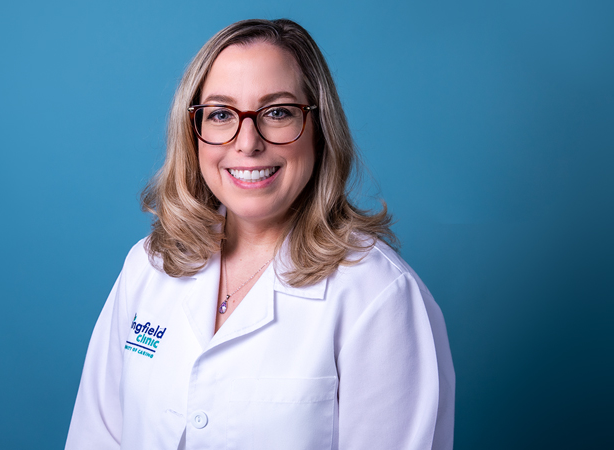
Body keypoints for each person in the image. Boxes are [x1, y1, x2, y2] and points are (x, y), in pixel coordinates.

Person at [65, 18, 454, 450]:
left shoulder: (378, 295)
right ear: (193, 133)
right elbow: (94, 437)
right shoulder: (149, 266)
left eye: (278, 112)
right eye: (219, 114)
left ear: (320, 129)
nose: (247, 143)